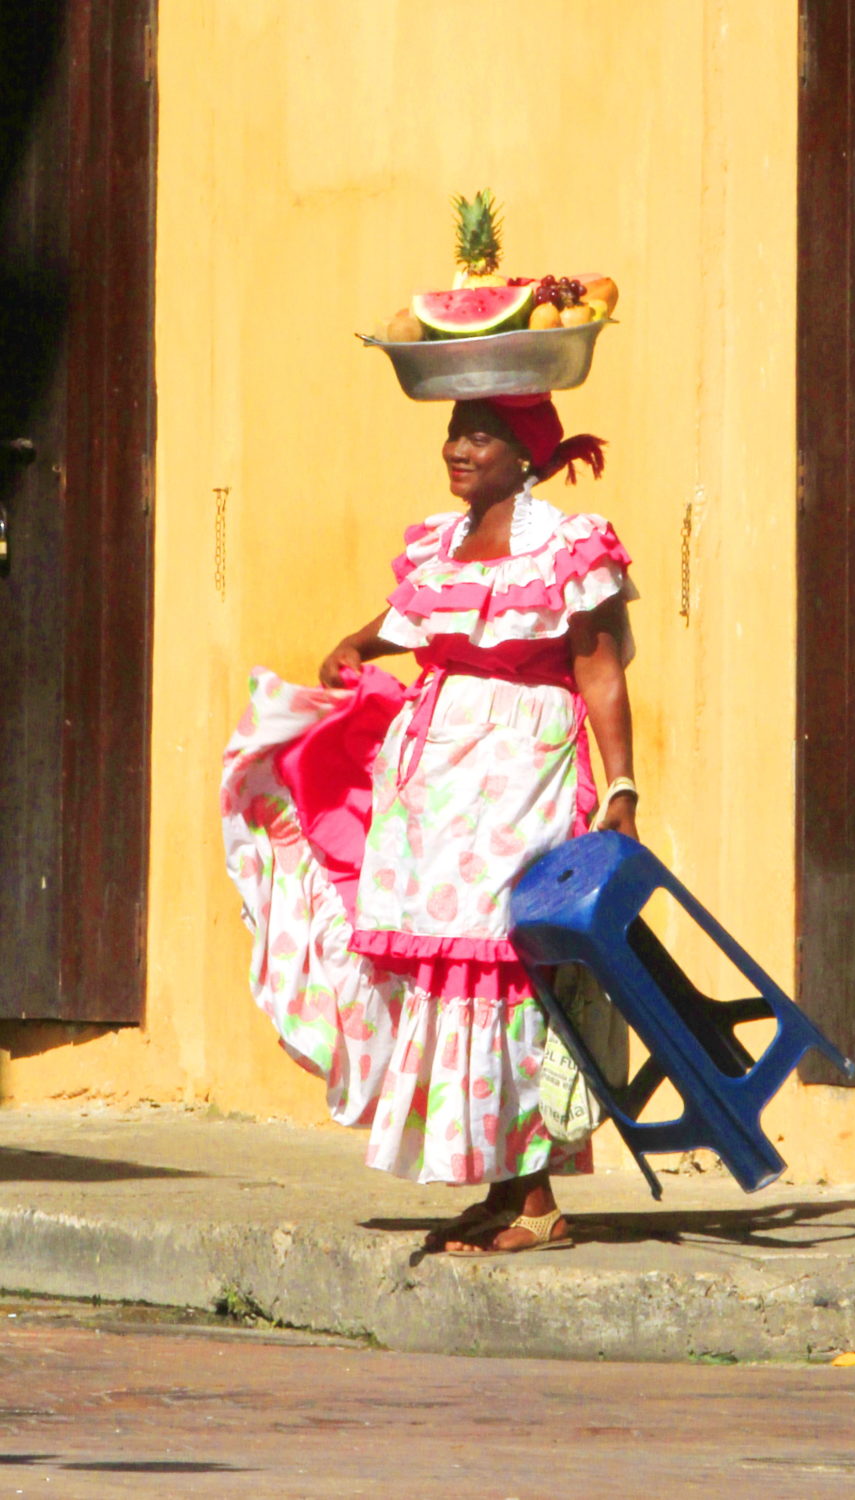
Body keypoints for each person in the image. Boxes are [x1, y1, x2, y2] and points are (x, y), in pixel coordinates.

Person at [222, 393, 638, 1254]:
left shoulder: (567, 548)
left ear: (525, 454)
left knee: (506, 963)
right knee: (448, 962)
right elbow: (418, 616)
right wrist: (358, 645)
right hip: (438, 778)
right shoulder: (438, 546)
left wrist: (623, 788)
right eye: (453, 432)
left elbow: (598, 674)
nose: (457, 448)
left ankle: (536, 1201)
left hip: (523, 767)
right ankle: (506, 1185)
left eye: (479, 435)